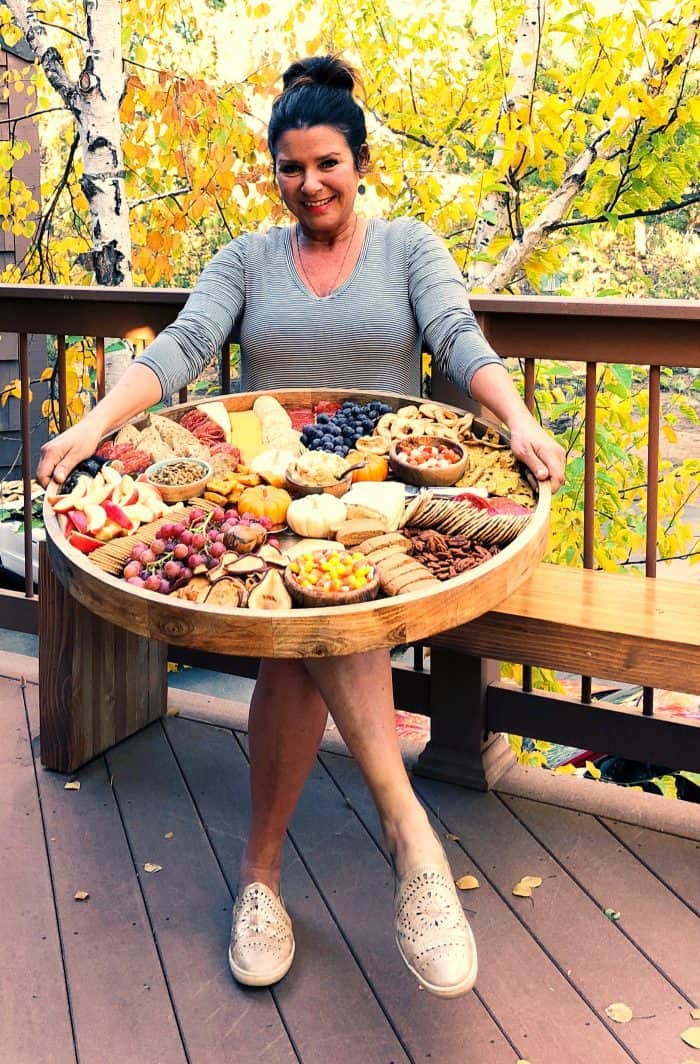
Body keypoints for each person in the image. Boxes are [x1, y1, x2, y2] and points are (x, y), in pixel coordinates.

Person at [37, 55, 565, 998]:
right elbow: (183, 347)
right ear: (274, 172)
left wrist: (517, 416)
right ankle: (413, 848)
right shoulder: (246, 259)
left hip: (379, 511)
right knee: (313, 619)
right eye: (291, 168)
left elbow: (457, 335)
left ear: (360, 161)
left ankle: (262, 881)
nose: (309, 184)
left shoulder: (409, 247)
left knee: (310, 628)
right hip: (266, 504)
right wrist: (89, 427)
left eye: (327, 163)